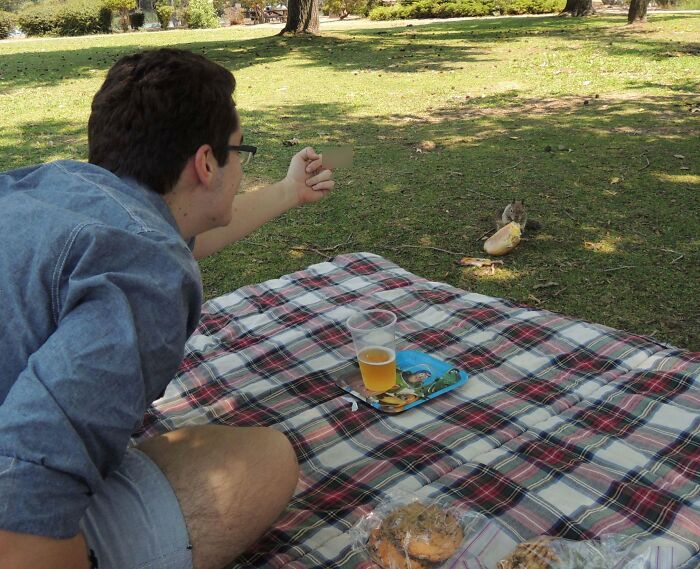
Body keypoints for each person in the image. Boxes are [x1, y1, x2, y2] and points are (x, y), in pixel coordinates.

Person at [0, 48, 335, 569]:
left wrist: (289, 191)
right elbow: (25, 494)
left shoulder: (48, 188)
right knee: (264, 461)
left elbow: (165, 233)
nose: (241, 167)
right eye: (239, 151)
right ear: (206, 163)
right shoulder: (146, 273)